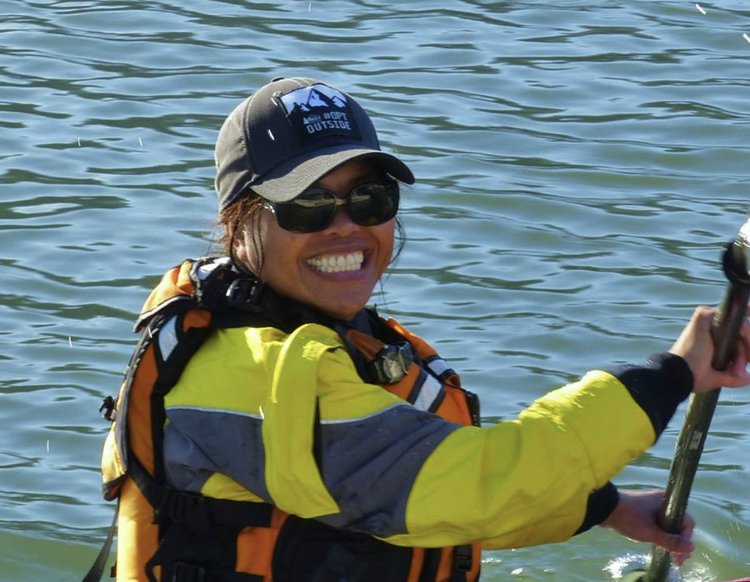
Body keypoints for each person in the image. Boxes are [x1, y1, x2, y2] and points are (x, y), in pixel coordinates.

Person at [96, 77, 750, 582]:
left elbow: (420, 499)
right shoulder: (250, 377)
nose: (346, 226)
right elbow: (477, 487)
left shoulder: (340, 342)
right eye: (308, 204)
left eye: (370, 198)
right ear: (239, 225)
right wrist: (671, 375)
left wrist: (600, 508)